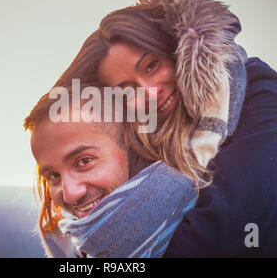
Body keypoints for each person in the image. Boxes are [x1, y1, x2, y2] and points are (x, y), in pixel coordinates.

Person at [47, 0, 277, 256]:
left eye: (152, 65)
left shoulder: (261, 90)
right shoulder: (141, 136)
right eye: (126, 89)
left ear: (175, 49)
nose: (151, 92)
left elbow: (226, 234)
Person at [24, 85, 197, 257]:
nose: (70, 195)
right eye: (53, 176)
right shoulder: (61, 236)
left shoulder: (205, 212)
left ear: (130, 140)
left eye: (84, 161)